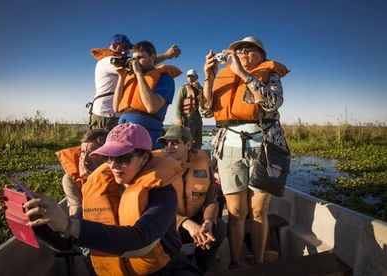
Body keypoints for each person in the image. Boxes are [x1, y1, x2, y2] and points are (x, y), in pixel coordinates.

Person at [24, 123, 202, 275]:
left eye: (123, 158)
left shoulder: (162, 191)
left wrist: (68, 225)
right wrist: (39, 225)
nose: (114, 165)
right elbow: (69, 244)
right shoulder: (98, 187)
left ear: (144, 158)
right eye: (110, 157)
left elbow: (141, 242)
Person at [202, 36, 290, 269]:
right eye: (237, 50)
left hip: (265, 149)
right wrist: (209, 78)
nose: (241, 52)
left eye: (247, 49)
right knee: (236, 212)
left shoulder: (269, 73)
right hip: (229, 147)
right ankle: (235, 262)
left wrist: (243, 74)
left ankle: (259, 262)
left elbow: (272, 103)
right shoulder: (222, 75)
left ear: (261, 54)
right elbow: (205, 110)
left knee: (259, 211)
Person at [157, 125, 226, 273]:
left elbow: (211, 200)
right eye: (166, 143)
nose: (169, 147)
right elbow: (154, 210)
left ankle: (200, 268)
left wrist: (208, 222)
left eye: (175, 143)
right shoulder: (156, 169)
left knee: (219, 227)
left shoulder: (203, 163)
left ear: (188, 144)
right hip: (168, 225)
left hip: (194, 217)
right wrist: (185, 223)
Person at [89, 34, 181, 131]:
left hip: (118, 116)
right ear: (115, 46)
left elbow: (143, 63)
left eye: (129, 48)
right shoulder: (109, 61)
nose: (127, 51)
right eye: (125, 47)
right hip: (105, 114)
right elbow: (136, 64)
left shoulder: (164, 78)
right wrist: (166, 55)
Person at [113, 40, 182, 149]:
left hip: (147, 137)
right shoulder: (130, 78)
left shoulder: (165, 79)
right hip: (122, 136)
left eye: (140, 58)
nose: (136, 62)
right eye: (134, 58)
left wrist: (139, 73)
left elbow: (152, 107)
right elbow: (116, 107)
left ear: (153, 58)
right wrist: (121, 77)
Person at [55, 129, 108, 218]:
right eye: (83, 152)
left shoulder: (118, 174)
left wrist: (92, 178)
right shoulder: (71, 179)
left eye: (93, 154)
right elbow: (76, 212)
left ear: (106, 156)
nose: (85, 160)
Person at [174, 69, 204, 150]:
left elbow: (205, 100)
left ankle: (196, 158)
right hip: (187, 118)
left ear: (196, 77)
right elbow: (177, 105)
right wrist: (179, 119)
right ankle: (186, 158)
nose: (190, 78)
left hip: (198, 118)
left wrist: (200, 89)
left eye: (192, 76)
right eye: (188, 76)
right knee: (187, 140)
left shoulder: (201, 89)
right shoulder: (183, 88)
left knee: (198, 141)